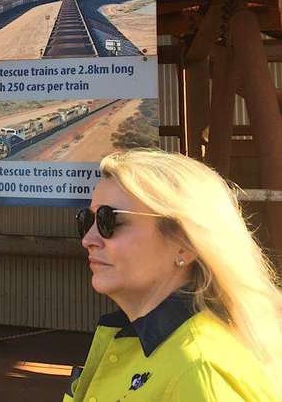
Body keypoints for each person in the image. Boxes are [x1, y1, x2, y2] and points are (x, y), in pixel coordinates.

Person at [65, 149, 282, 401]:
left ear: (184, 244)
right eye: (87, 220)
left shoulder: (201, 371)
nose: (89, 239)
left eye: (109, 221)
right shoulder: (133, 340)